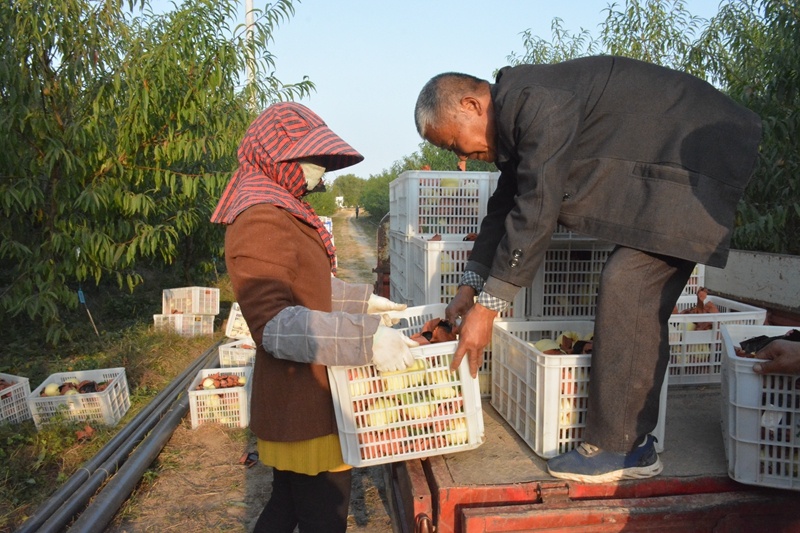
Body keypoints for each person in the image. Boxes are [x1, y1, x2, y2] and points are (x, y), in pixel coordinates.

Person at [414, 56, 762, 483]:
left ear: (470, 105)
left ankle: (625, 446)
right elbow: (504, 208)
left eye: (453, 145)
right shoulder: (516, 117)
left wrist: (487, 309)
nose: (462, 159)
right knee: (631, 285)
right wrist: (469, 286)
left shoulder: (535, 101)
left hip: (698, 158)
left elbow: (537, 207)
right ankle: (626, 438)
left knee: (629, 283)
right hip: (668, 169)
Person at [211, 102, 417, 532]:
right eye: (314, 160)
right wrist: (366, 339)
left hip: (303, 401)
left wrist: (365, 303)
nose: (322, 172)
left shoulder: (279, 208)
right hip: (304, 404)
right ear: (277, 157)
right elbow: (275, 324)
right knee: (324, 512)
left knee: (287, 507)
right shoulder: (260, 218)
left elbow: (308, 288)